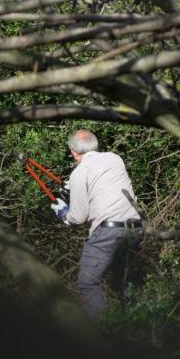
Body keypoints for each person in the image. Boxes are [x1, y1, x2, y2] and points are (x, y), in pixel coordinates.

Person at [51, 129, 143, 318]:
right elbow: (103, 183)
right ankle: (134, 325)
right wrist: (74, 186)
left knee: (88, 283)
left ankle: (106, 332)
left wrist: (62, 213)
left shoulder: (79, 173)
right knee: (121, 282)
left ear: (74, 152)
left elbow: (77, 218)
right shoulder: (115, 158)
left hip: (108, 233)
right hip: (135, 228)